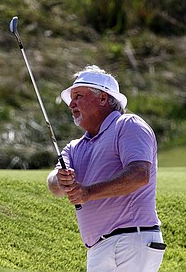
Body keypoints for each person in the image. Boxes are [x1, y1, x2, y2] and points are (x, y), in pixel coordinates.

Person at [47, 65, 165, 271]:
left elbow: (139, 175)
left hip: (132, 237)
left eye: (78, 96)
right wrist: (60, 180)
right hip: (98, 247)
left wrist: (88, 192)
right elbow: (54, 185)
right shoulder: (74, 147)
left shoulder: (127, 124)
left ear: (103, 98)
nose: (71, 104)